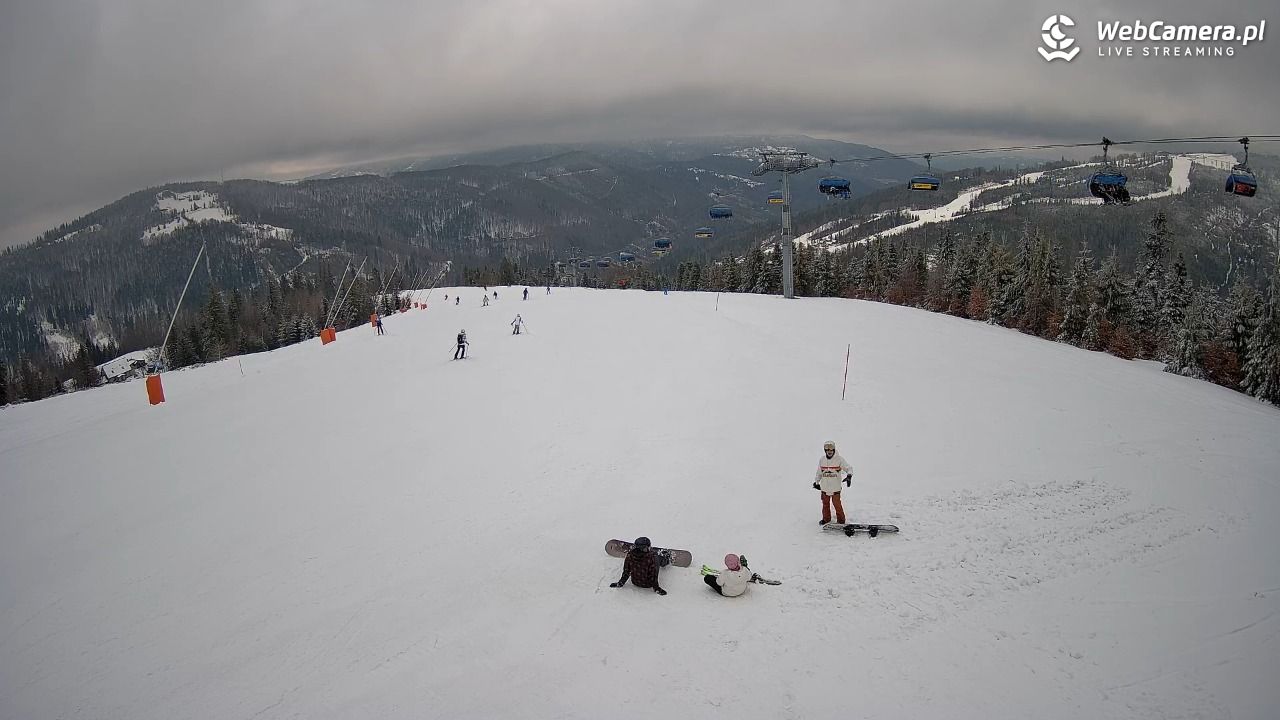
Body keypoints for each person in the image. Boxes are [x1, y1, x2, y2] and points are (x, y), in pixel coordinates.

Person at [814, 440, 853, 525]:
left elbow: (848, 468)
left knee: (837, 505)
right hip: (824, 487)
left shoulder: (839, 459)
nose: (829, 451)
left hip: (835, 488)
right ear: (825, 450)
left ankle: (841, 521)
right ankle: (826, 519)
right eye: (827, 449)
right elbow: (819, 472)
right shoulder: (822, 460)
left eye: (831, 449)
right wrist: (816, 482)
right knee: (825, 504)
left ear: (834, 449)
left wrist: (849, 476)